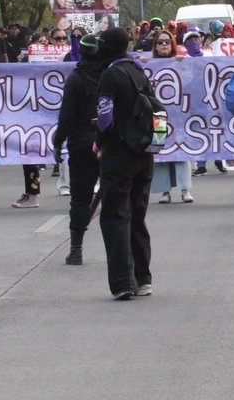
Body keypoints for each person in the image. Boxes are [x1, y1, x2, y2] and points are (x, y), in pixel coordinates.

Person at [95, 28, 160, 300]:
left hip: (119, 156)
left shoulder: (110, 75)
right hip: (144, 156)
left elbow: (105, 117)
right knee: (137, 216)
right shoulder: (139, 72)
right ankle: (143, 278)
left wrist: (100, 140)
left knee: (115, 217)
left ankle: (123, 282)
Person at [53, 34, 105, 266]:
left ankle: (76, 248)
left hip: (81, 144)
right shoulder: (111, 75)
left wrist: (58, 142)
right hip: (110, 143)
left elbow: (66, 117)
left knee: (80, 198)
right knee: (117, 199)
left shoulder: (75, 79)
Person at [150, 30, 194, 204]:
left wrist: (185, 63)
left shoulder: (182, 62)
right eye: (159, 42)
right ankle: (164, 191)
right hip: (158, 116)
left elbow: (194, 76)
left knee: (181, 151)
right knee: (161, 152)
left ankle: (185, 190)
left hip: (179, 116)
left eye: (167, 41)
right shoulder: (149, 64)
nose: (163, 45)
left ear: (172, 44)